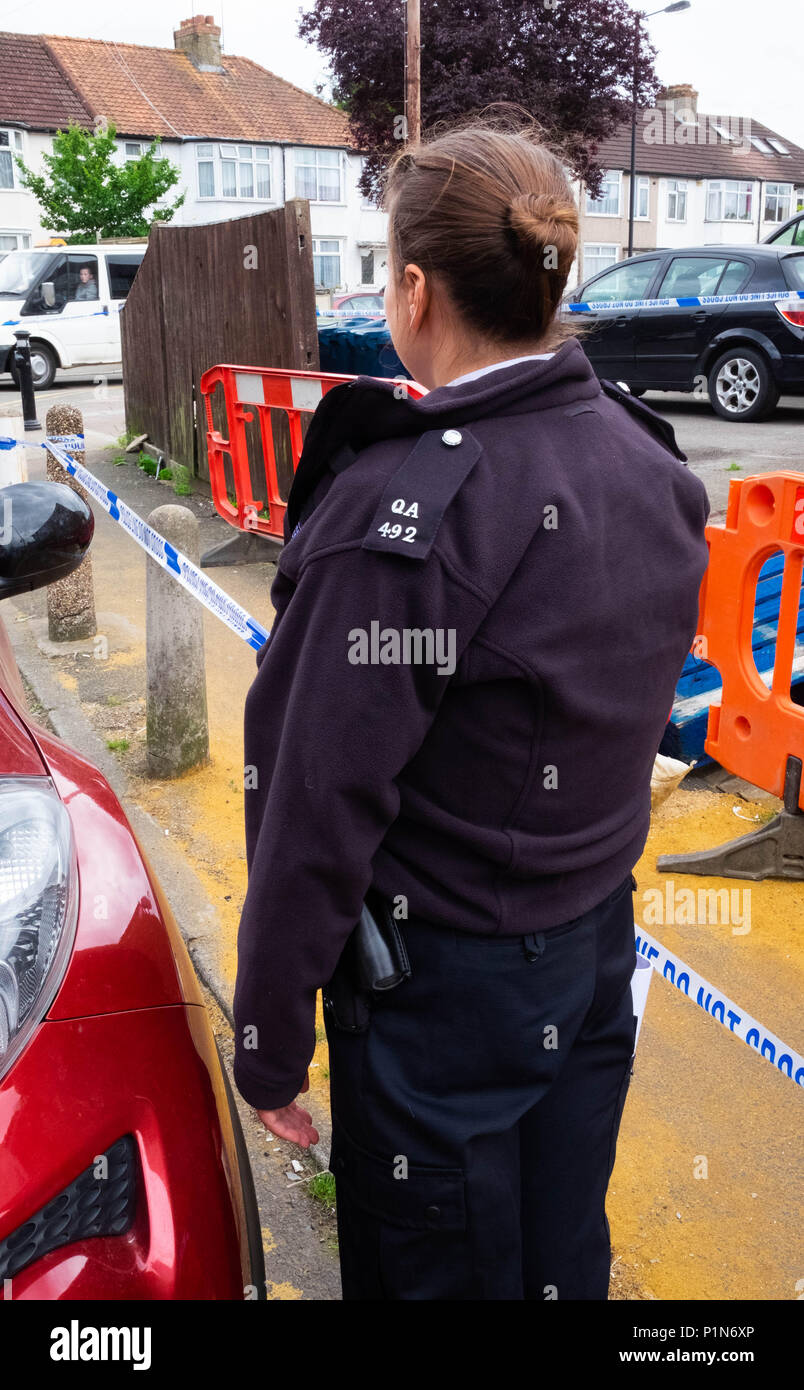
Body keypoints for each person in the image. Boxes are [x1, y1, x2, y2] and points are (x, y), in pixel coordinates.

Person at [233, 123, 710, 1300]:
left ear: (410, 289)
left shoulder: (410, 514)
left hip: (446, 1003)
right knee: (557, 1255)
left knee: (438, 1270)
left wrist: (268, 1038)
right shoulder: (650, 464)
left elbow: (311, 798)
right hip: (592, 956)